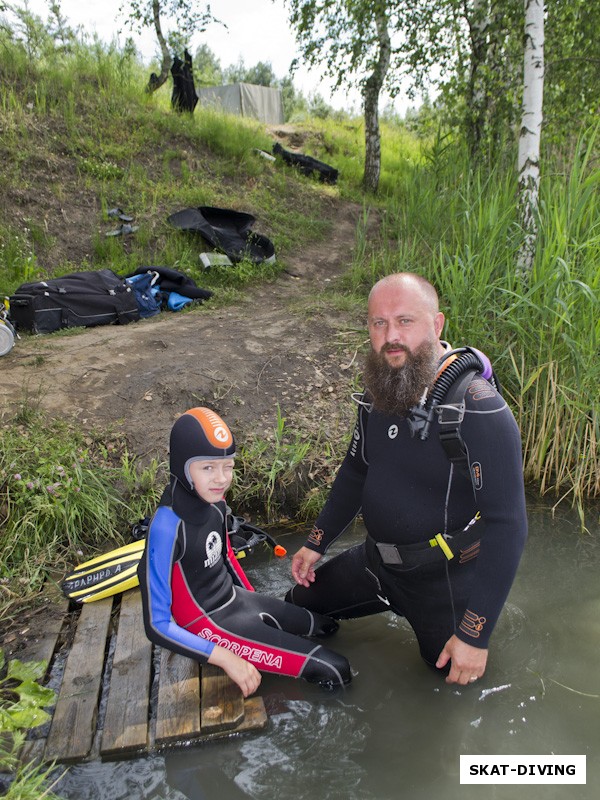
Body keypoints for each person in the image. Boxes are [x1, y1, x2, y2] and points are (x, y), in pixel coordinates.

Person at [286, 272, 527, 686]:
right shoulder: (380, 389)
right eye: (379, 323)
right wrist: (316, 541)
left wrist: (475, 636)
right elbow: (357, 469)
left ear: (437, 325)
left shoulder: (478, 409)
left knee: (451, 690)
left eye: (405, 321)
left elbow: (509, 525)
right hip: (377, 563)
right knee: (295, 608)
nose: (390, 335)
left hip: (442, 582)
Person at [138, 406, 351, 697]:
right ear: (182, 467)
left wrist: (256, 609)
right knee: (335, 670)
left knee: (327, 627)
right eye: (208, 467)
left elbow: (226, 560)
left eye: (228, 466)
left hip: (237, 603)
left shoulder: (215, 502)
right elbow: (157, 624)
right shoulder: (166, 529)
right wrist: (227, 658)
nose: (221, 479)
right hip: (205, 626)